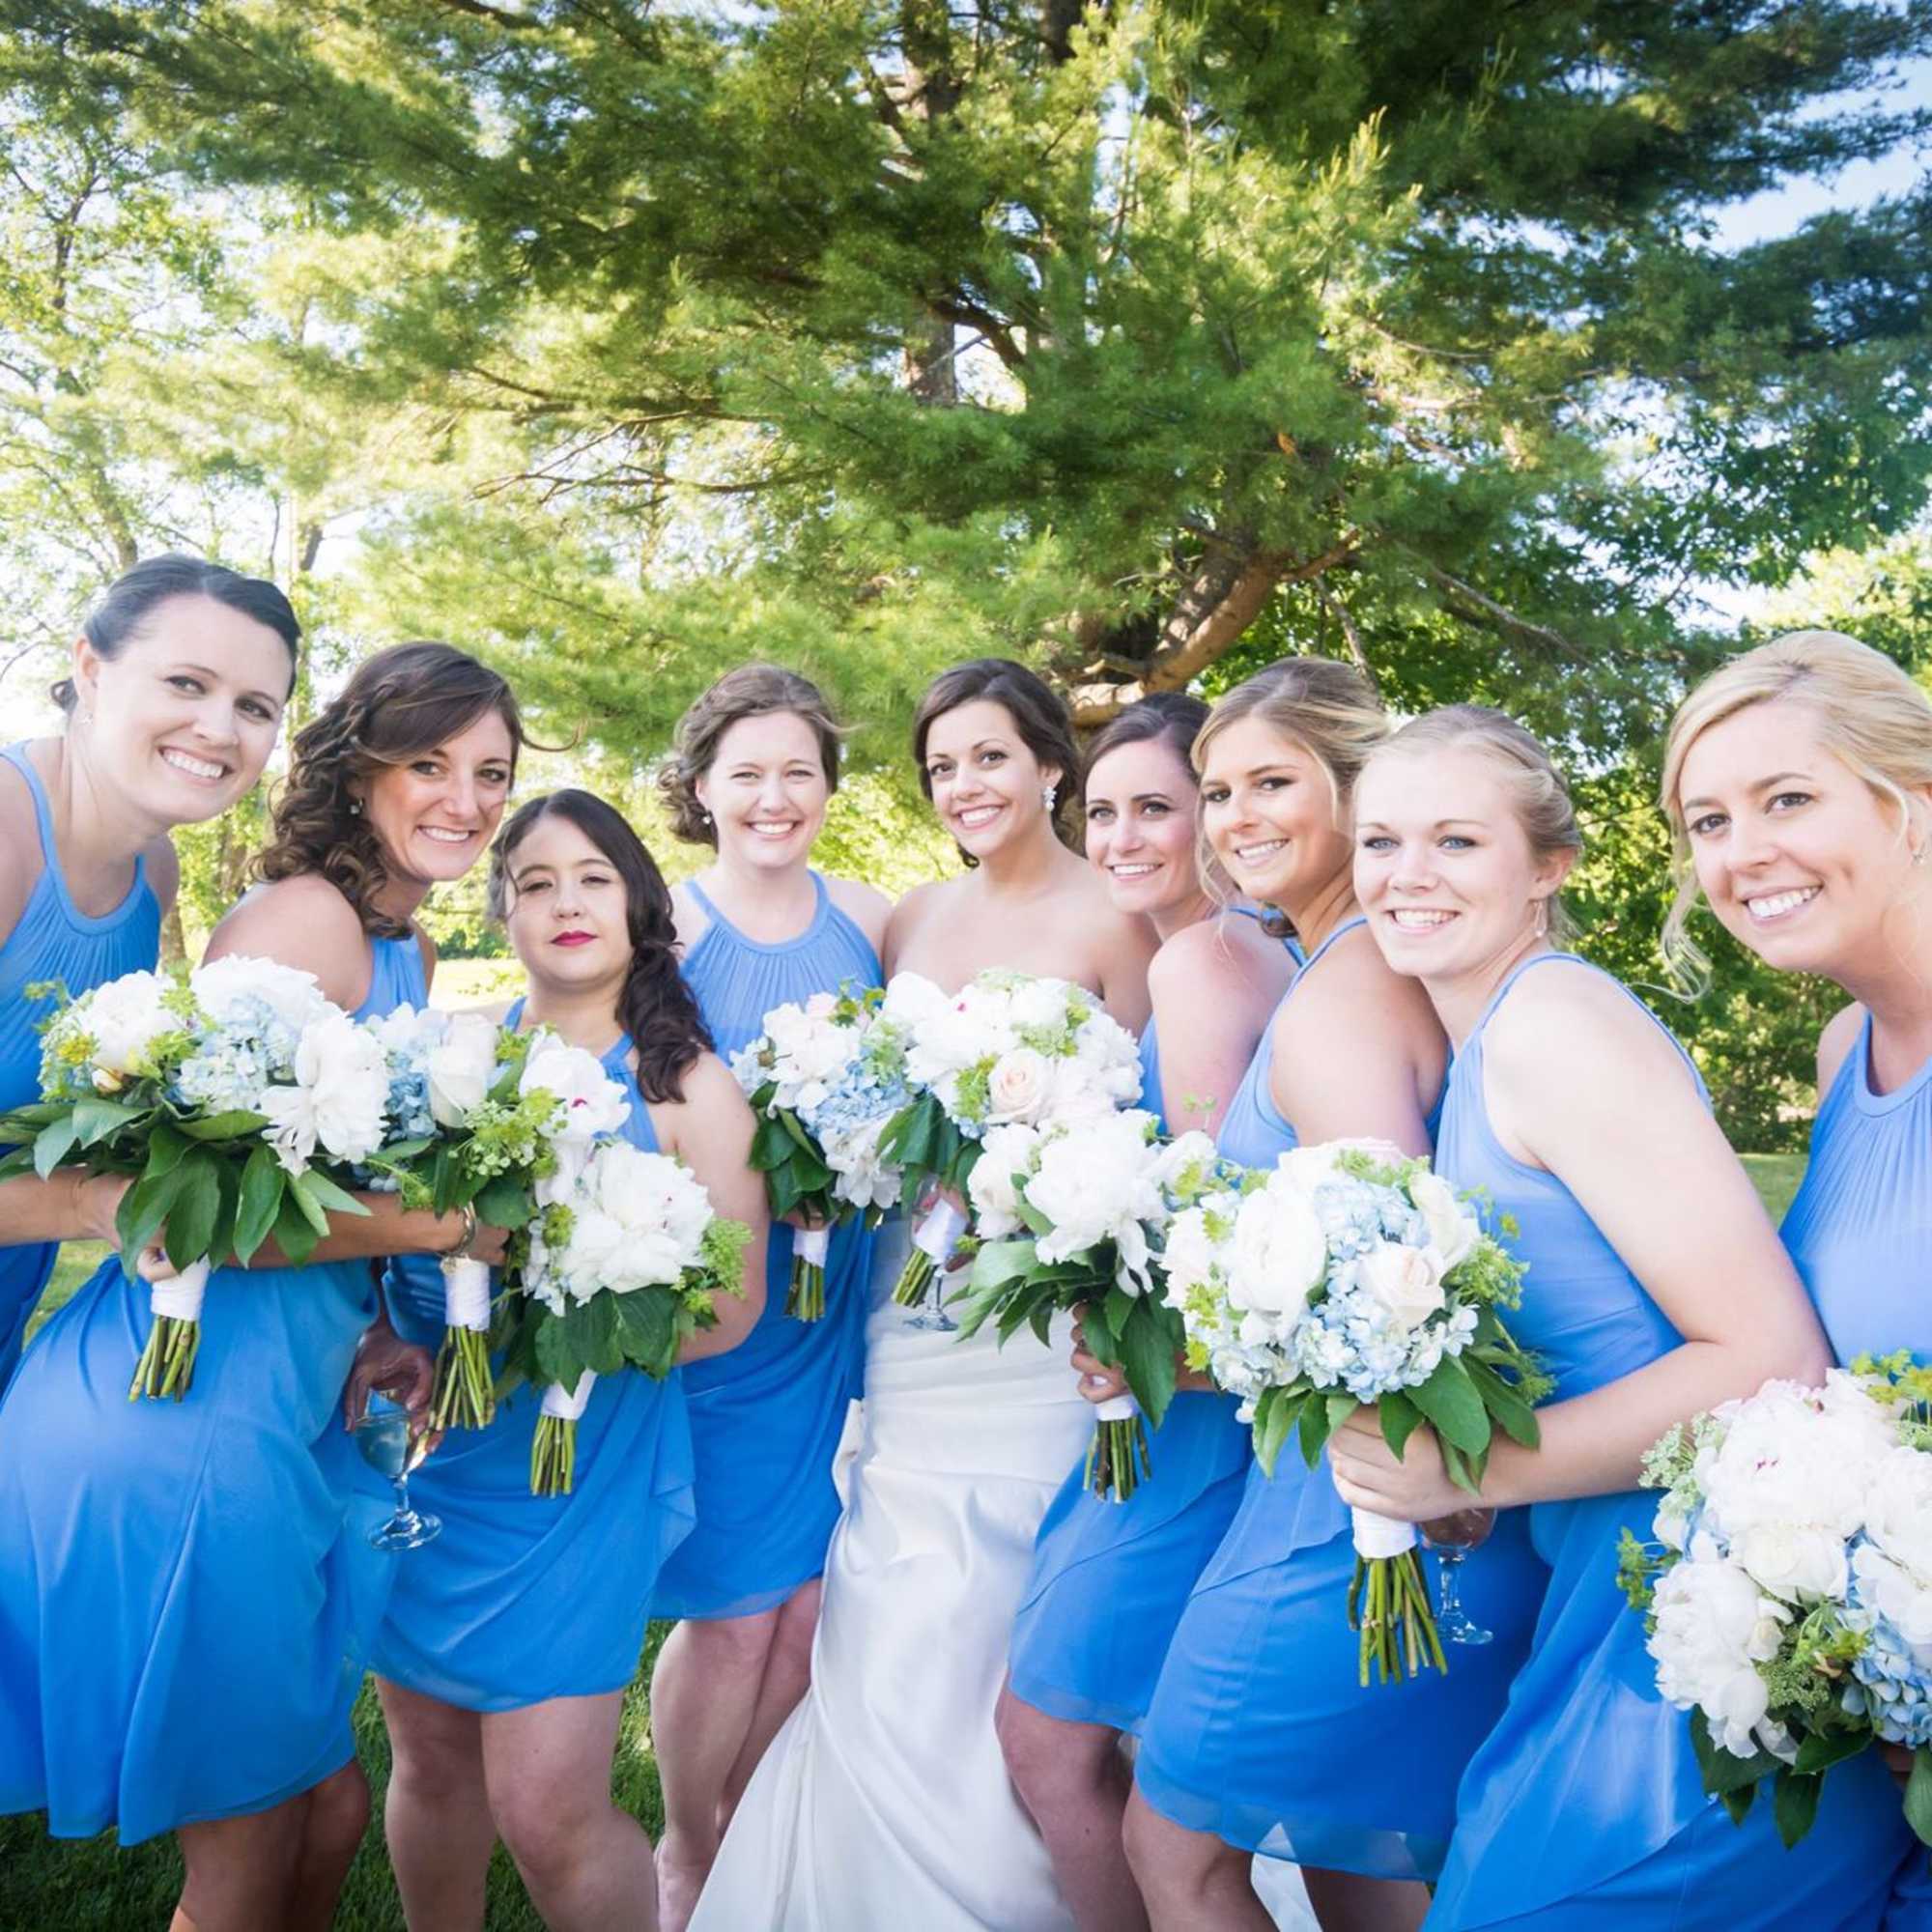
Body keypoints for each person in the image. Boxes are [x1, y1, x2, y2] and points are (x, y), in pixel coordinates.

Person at [1330, 702, 1916, 1929]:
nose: (1405, 875)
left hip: (1698, 1618)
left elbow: (1764, 1352)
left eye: (1453, 840)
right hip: (1626, 1597)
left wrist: (1465, 1467)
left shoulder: (1552, 1026)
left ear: (1547, 866)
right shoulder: (1493, 1044)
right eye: (1378, 841)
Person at [0, 640, 521, 1932]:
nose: (464, 799)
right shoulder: (305, 923)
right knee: (246, 1864)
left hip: (270, 1404)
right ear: (358, 770)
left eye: (492, 775)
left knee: (327, 1814)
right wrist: (451, 1221)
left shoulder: (408, 950)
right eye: (430, 764)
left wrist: (359, 1341)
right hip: (174, 1420)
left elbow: (308, 1188)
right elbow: (199, 1206)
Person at [690, 657, 1155, 1932]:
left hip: (1043, 1323)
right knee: (890, 1583)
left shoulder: (1119, 924)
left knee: (1003, 1605)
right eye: (944, 765)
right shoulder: (909, 921)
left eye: (992, 756)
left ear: (1053, 764)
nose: (966, 785)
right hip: (908, 1313)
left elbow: (1166, 1139)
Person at [1122, 663, 1544, 1932]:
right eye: (1218, 790)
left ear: (1353, 788)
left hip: (1358, 1501)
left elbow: (1386, 1285)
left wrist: (1180, 1345)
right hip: (1336, 1483)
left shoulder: (1344, 1000)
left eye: (1272, 783)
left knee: (1174, 1846)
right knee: (1359, 1846)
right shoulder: (1344, 967)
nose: (1235, 816)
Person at [366, 788, 769, 1932]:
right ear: (502, 911)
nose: (565, 901)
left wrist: (569, 1319)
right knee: (430, 1756)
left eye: (591, 876)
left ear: (638, 902)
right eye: (534, 881)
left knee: (547, 1808)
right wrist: (387, 1330)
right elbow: (377, 1234)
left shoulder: (687, 1083)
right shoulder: (447, 1055)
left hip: (580, 1470)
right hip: (437, 1454)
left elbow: (730, 1307)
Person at [997, 692, 1296, 1931]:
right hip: (1175, 1392)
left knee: (1048, 1731)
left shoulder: (1207, 957)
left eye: (1157, 808)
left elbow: (1206, 1218)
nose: (1120, 836)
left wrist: (1121, 1305)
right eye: (1102, 809)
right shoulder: (1207, 952)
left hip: (1198, 1410)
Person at [1663, 631, 1932, 1923]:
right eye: (1709, 819)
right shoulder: (1844, 1050)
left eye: (1787, 799)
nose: (1740, 853)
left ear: (1912, 798)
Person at [643, 665, 890, 1930]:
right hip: (732, 1316)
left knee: (807, 1606)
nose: (774, 795)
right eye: (746, 772)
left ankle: (756, 1837)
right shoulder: (667, 931)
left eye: (800, 769)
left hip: (848, 1301)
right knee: (737, 1612)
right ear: (701, 789)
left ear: (831, 786)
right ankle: (687, 1850)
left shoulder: (874, 918)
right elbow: (622, 1109)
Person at [0, 556, 297, 1391]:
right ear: (90, 670)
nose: (217, 728)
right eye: (186, 683)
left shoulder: (152, 873)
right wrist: (84, 1203)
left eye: (253, 707)